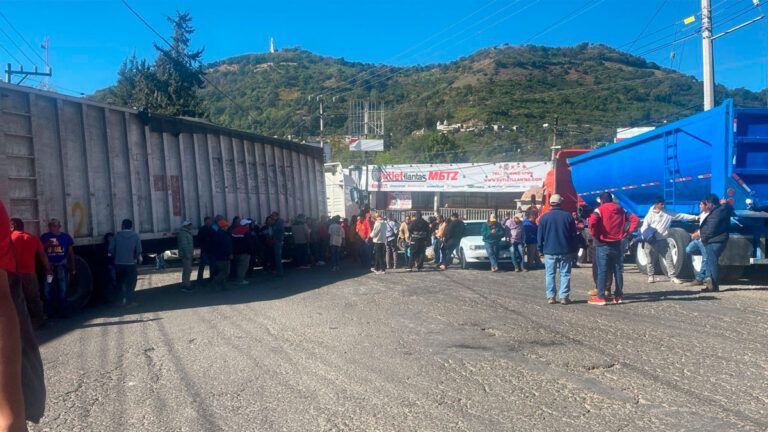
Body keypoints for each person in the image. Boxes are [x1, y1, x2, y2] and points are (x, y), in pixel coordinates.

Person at [588, 192, 640, 305]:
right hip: (617, 244)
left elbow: (592, 221)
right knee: (618, 271)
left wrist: (595, 233)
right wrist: (627, 232)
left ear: (602, 201)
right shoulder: (621, 209)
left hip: (603, 244)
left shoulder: (599, 210)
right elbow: (635, 219)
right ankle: (618, 296)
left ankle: (600, 297)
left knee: (602, 271)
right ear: (611, 199)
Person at [640, 197, 698, 284]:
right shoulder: (650, 215)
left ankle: (672, 276)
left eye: (663, 203)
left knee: (669, 257)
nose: (663, 205)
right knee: (650, 259)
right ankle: (651, 276)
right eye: (661, 204)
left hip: (662, 240)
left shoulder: (668, 213)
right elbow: (644, 227)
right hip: (651, 240)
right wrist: (646, 236)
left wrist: (695, 217)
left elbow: (681, 215)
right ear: (656, 204)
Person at [537, 195, 578, 305]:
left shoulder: (544, 217)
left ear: (550, 203)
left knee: (550, 274)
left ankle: (551, 297)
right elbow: (573, 235)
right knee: (565, 274)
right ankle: (564, 297)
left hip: (549, 250)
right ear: (561, 203)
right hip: (565, 250)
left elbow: (540, 236)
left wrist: (540, 249)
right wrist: (574, 249)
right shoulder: (568, 217)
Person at [9, 219, 51, 328]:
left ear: (13, 226)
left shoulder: (10, 238)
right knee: (34, 297)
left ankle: (20, 323)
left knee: (16, 298)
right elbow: (42, 255)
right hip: (30, 273)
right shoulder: (32, 238)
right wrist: (48, 269)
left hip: (13, 273)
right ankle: (40, 320)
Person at [40, 218, 76, 316]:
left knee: (62, 287)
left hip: (61, 266)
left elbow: (70, 253)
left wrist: (73, 268)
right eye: (50, 225)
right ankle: (49, 310)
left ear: (59, 227)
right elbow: (40, 251)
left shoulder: (66, 237)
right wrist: (47, 245)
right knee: (47, 287)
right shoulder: (44, 237)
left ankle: (63, 309)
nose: (52, 228)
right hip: (49, 267)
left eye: (54, 226)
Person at [697, 194, 732, 292]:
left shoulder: (716, 213)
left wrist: (703, 238)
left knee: (712, 263)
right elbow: (728, 208)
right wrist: (724, 204)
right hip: (720, 240)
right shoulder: (723, 209)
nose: (706, 205)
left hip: (714, 240)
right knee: (710, 261)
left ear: (711, 204)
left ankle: (713, 286)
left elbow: (711, 229)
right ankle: (710, 285)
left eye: (707, 203)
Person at [109, 219, 142, 307]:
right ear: (131, 226)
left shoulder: (117, 236)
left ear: (122, 226)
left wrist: (116, 256)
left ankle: (119, 301)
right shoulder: (135, 236)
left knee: (119, 283)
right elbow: (138, 250)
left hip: (118, 263)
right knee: (130, 283)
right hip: (131, 264)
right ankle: (129, 302)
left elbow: (111, 249)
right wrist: (135, 258)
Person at [686, 199, 711, 286]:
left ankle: (699, 279)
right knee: (688, 250)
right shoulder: (702, 214)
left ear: (706, 205)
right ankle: (705, 255)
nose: (700, 206)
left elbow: (708, 228)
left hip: (703, 240)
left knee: (705, 259)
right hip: (698, 240)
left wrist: (698, 233)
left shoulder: (709, 215)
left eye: (701, 204)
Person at [211, 217, 233, 288]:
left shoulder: (218, 234)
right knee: (226, 271)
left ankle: (224, 285)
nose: (227, 227)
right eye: (226, 226)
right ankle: (216, 281)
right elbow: (226, 246)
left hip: (219, 256)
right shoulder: (224, 235)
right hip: (224, 256)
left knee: (222, 271)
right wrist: (229, 254)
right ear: (223, 227)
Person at [231, 217, 252, 284]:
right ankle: (240, 280)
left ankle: (238, 278)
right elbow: (248, 243)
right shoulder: (246, 231)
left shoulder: (234, 231)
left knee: (238, 266)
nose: (248, 225)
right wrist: (249, 251)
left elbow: (232, 242)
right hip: (244, 252)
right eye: (247, 224)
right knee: (243, 266)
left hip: (236, 252)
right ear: (245, 225)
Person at [196, 216, 216, 283]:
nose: (209, 222)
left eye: (209, 221)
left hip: (212, 250)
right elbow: (199, 239)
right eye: (207, 221)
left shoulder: (212, 229)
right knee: (202, 265)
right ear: (204, 222)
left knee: (212, 265)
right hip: (205, 250)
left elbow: (215, 238)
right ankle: (199, 279)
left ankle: (212, 278)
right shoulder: (202, 229)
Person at [177, 220, 194, 292]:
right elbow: (184, 245)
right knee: (187, 270)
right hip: (186, 255)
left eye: (190, 224)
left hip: (187, 254)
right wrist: (187, 255)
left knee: (187, 270)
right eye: (189, 224)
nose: (191, 226)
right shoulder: (183, 234)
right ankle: (186, 286)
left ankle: (186, 284)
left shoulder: (186, 233)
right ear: (185, 226)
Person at [271, 212, 285, 276]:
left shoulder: (278, 222)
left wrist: (277, 239)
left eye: (273, 215)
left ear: (276, 215)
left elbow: (280, 231)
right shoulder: (276, 222)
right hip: (277, 241)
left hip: (278, 241)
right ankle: (279, 271)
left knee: (278, 257)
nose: (272, 216)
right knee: (277, 257)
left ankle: (280, 272)